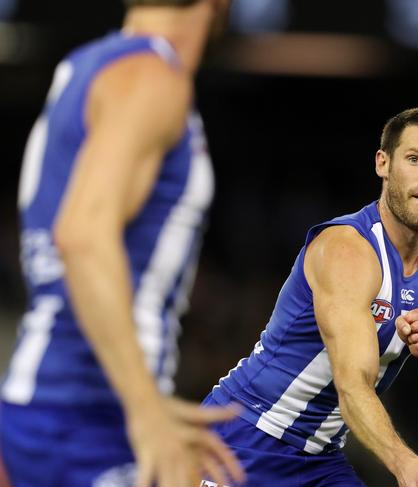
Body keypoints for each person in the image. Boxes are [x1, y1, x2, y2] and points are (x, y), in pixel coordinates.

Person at [0, 1, 245, 486]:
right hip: (88, 416)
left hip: (49, 406)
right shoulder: (153, 77)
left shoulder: (91, 65)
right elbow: (83, 236)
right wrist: (146, 409)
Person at [200, 106, 418, 487]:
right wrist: (403, 461)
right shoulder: (347, 251)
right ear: (383, 164)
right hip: (244, 437)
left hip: (320, 460)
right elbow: (352, 382)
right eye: (414, 159)